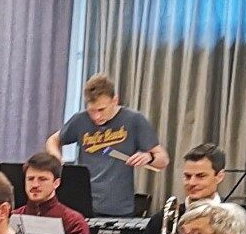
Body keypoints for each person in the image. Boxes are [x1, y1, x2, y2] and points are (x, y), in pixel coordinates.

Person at [47, 72, 168, 217]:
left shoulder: (134, 120)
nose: (97, 116)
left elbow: (163, 160)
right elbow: (52, 141)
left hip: (118, 208)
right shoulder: (80, 120)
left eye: (101, 110)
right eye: (92, 110)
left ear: (115, 100)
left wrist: (149, 157)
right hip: (83, 204)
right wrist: (56, 158)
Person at [132, 142, 238, 234]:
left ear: (219, 176)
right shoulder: (161, 220)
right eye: (187, 176)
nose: (192, 183)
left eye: (201, 176)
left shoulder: (234, 219)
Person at [15, 152, 91, 234]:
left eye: (42, 179)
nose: (35, 185)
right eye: (30, 179)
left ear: (56, 183)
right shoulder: (13, 217)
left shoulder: (74, 221)